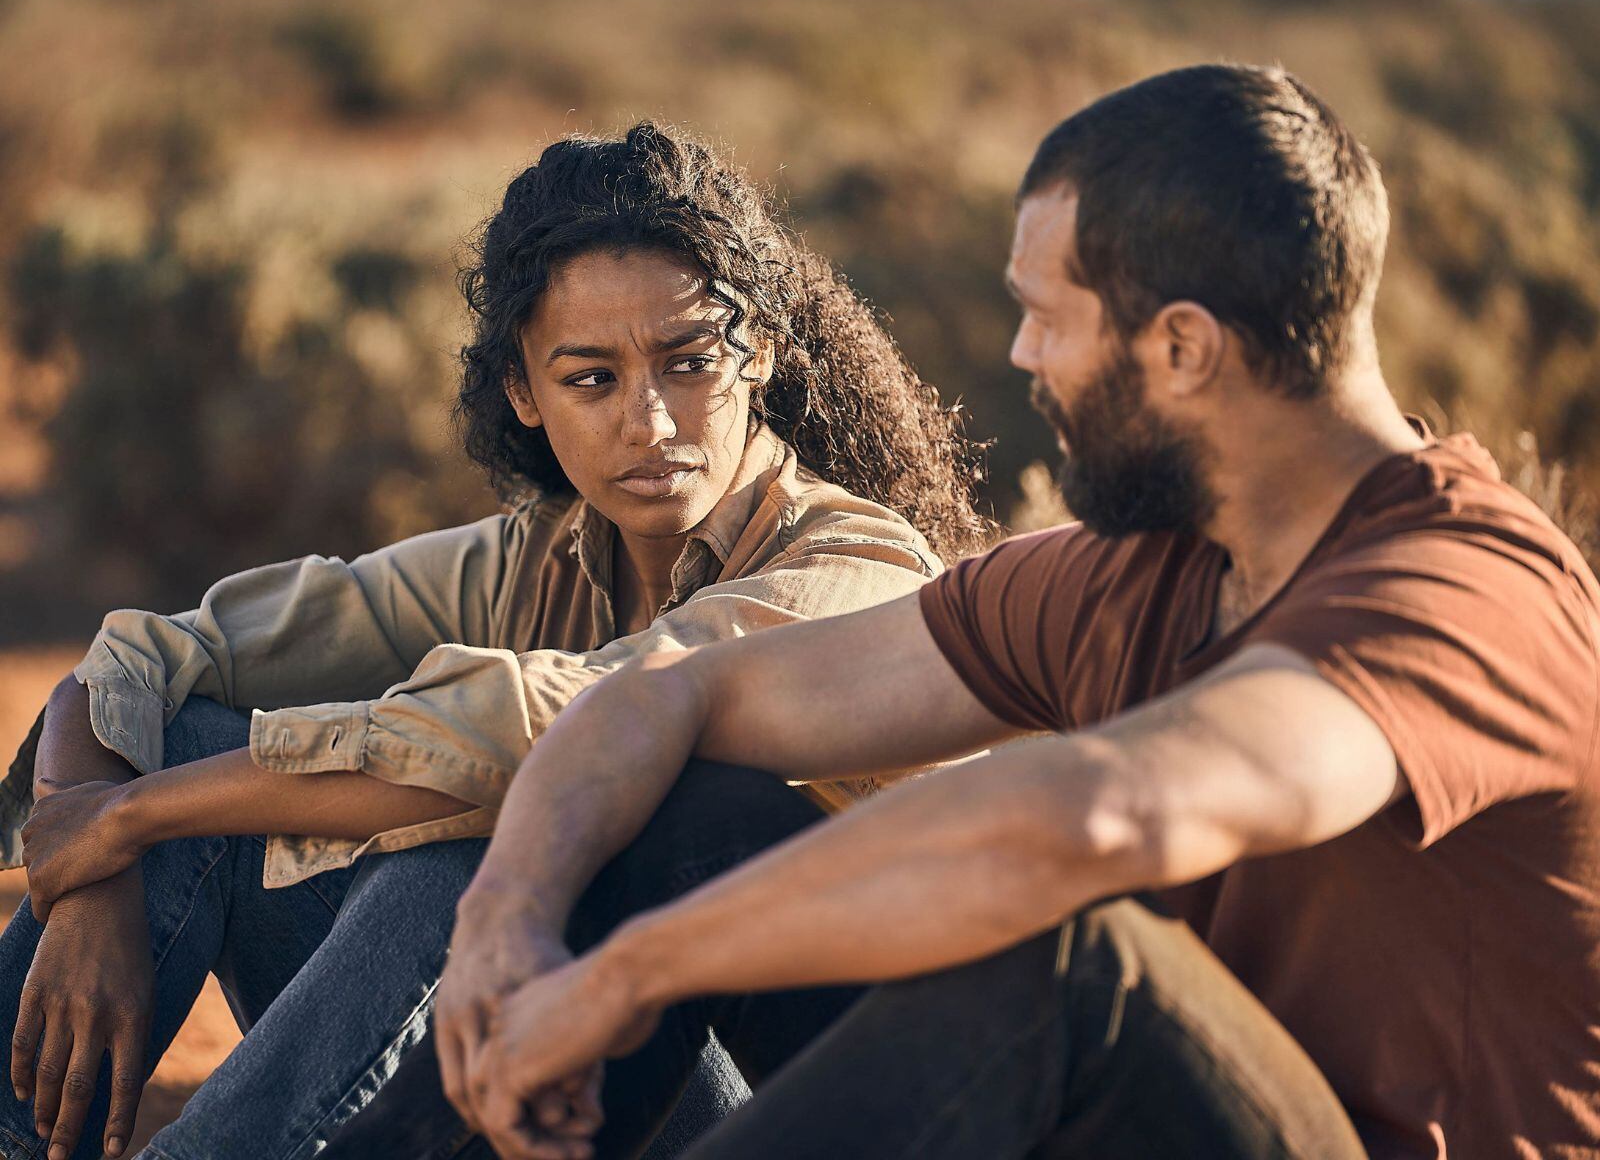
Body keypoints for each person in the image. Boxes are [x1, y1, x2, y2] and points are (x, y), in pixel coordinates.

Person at [337, 65, 1600, 1160]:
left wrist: (631, 973)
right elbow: (676, 691)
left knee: (1072, 967)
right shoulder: (1133, 572)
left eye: (1048, 319)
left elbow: (1104, 814)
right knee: (696, 809)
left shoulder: (1464, 595)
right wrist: (511, 920)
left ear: (1181, 350)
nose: (1019, 358)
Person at [0, 121, 990, 1160]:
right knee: (199, 743)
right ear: (524, 391)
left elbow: (548, 730)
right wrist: (93, 869)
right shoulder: (538, 558)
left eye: (690, 361)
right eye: (590, 379)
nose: (649, 423)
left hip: (805, 1114)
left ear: (764, 357)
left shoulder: (858, 570)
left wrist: (132, 816)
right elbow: (151, 658)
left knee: (476, 834)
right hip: (559, 1075)